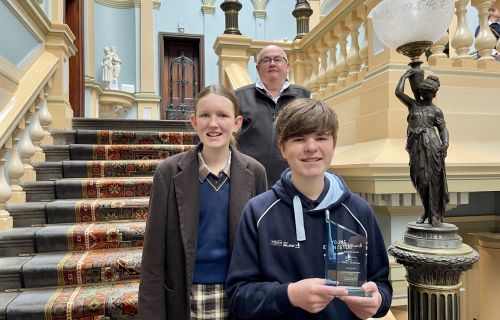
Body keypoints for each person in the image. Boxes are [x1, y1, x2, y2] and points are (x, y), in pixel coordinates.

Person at [226, 98, 392, 319]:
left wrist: (377, 301)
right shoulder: (258, 212)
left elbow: (382, 285)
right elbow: (239, 296)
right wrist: (289, 295)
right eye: (299, 139)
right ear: (282, 148)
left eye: (321, 138)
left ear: (333, 144)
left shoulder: (359, 211)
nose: (311, 147)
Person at [139, 85, 268, 320]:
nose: (213, 123)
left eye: (222, 115)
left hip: (238, 295)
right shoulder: (168, 173)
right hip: (185, 298)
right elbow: (153, 254)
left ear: (237, 123)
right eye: (205, 115)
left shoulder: (256, 172)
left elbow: (262, 247)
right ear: (194, 121)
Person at [235, 45, 310, 187]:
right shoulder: (240, 96)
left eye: (277, 59)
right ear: (257, 68)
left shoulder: (303, 96)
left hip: (292, 180)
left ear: (287, 66)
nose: (272, 63)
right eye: (266, 60)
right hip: (248, 179)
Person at [395, 68, 449, 227]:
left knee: (432, 180)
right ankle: (427, 210)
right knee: (420, 180)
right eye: (423, 91)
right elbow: (398, 93)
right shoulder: (413, 105)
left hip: (432, 145)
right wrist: (404, 76)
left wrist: (445, 144)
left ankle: (432, 214)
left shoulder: (436, 111)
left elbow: (443, 129)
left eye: (428, 93)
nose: (425, 95)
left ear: (434, 94)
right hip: (415, 146)